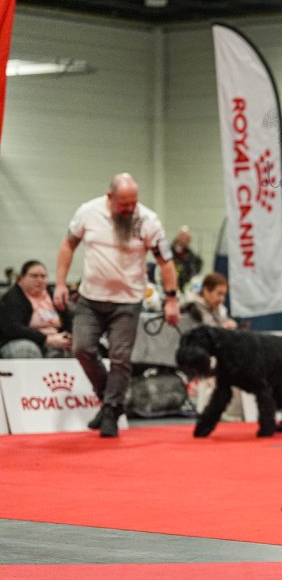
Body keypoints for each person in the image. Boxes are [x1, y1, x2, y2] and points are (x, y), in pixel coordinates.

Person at [54, 173, 181, 437]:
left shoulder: (148, 220)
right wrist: (61, 283)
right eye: (124, 204)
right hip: (90, 298)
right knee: (81, 349)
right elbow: (68, 245)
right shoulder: (88, 212)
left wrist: (171, 299)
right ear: (110, 197)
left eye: (134, 202)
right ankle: (109, 399)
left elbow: (165, 261)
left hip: (128, 301)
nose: (130, 208)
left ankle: (111, 411)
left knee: (120, 357)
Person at [181, 272, 242, 421]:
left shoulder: (220, 309)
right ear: (206, 291)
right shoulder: (193, 307)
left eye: (224, 295)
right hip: (198, 354)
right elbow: (209, 331)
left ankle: (233, 410)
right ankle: (224, 410)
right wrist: (224, 327)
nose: (221, 298)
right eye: (218, 294)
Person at [0, 260, 73, 358]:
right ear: (21, 278)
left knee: (78, 348)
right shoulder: (11, 298)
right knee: (26, 349)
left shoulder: (54, 295)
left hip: (55, 338)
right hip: (21, 340)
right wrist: (46, 339)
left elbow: (69, 321)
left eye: (43, 276)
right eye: (34, 276)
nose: (39, 280)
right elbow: (13, 328)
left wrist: (68, 337)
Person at [169, 225, 203, 292]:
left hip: (186, 286)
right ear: (178, 237)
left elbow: (199, 262)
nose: (185, 241)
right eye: (183, 237)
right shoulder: (170, 252)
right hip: (172, 285)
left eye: (188, 239)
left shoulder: (190, 253)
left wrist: (194, 275)